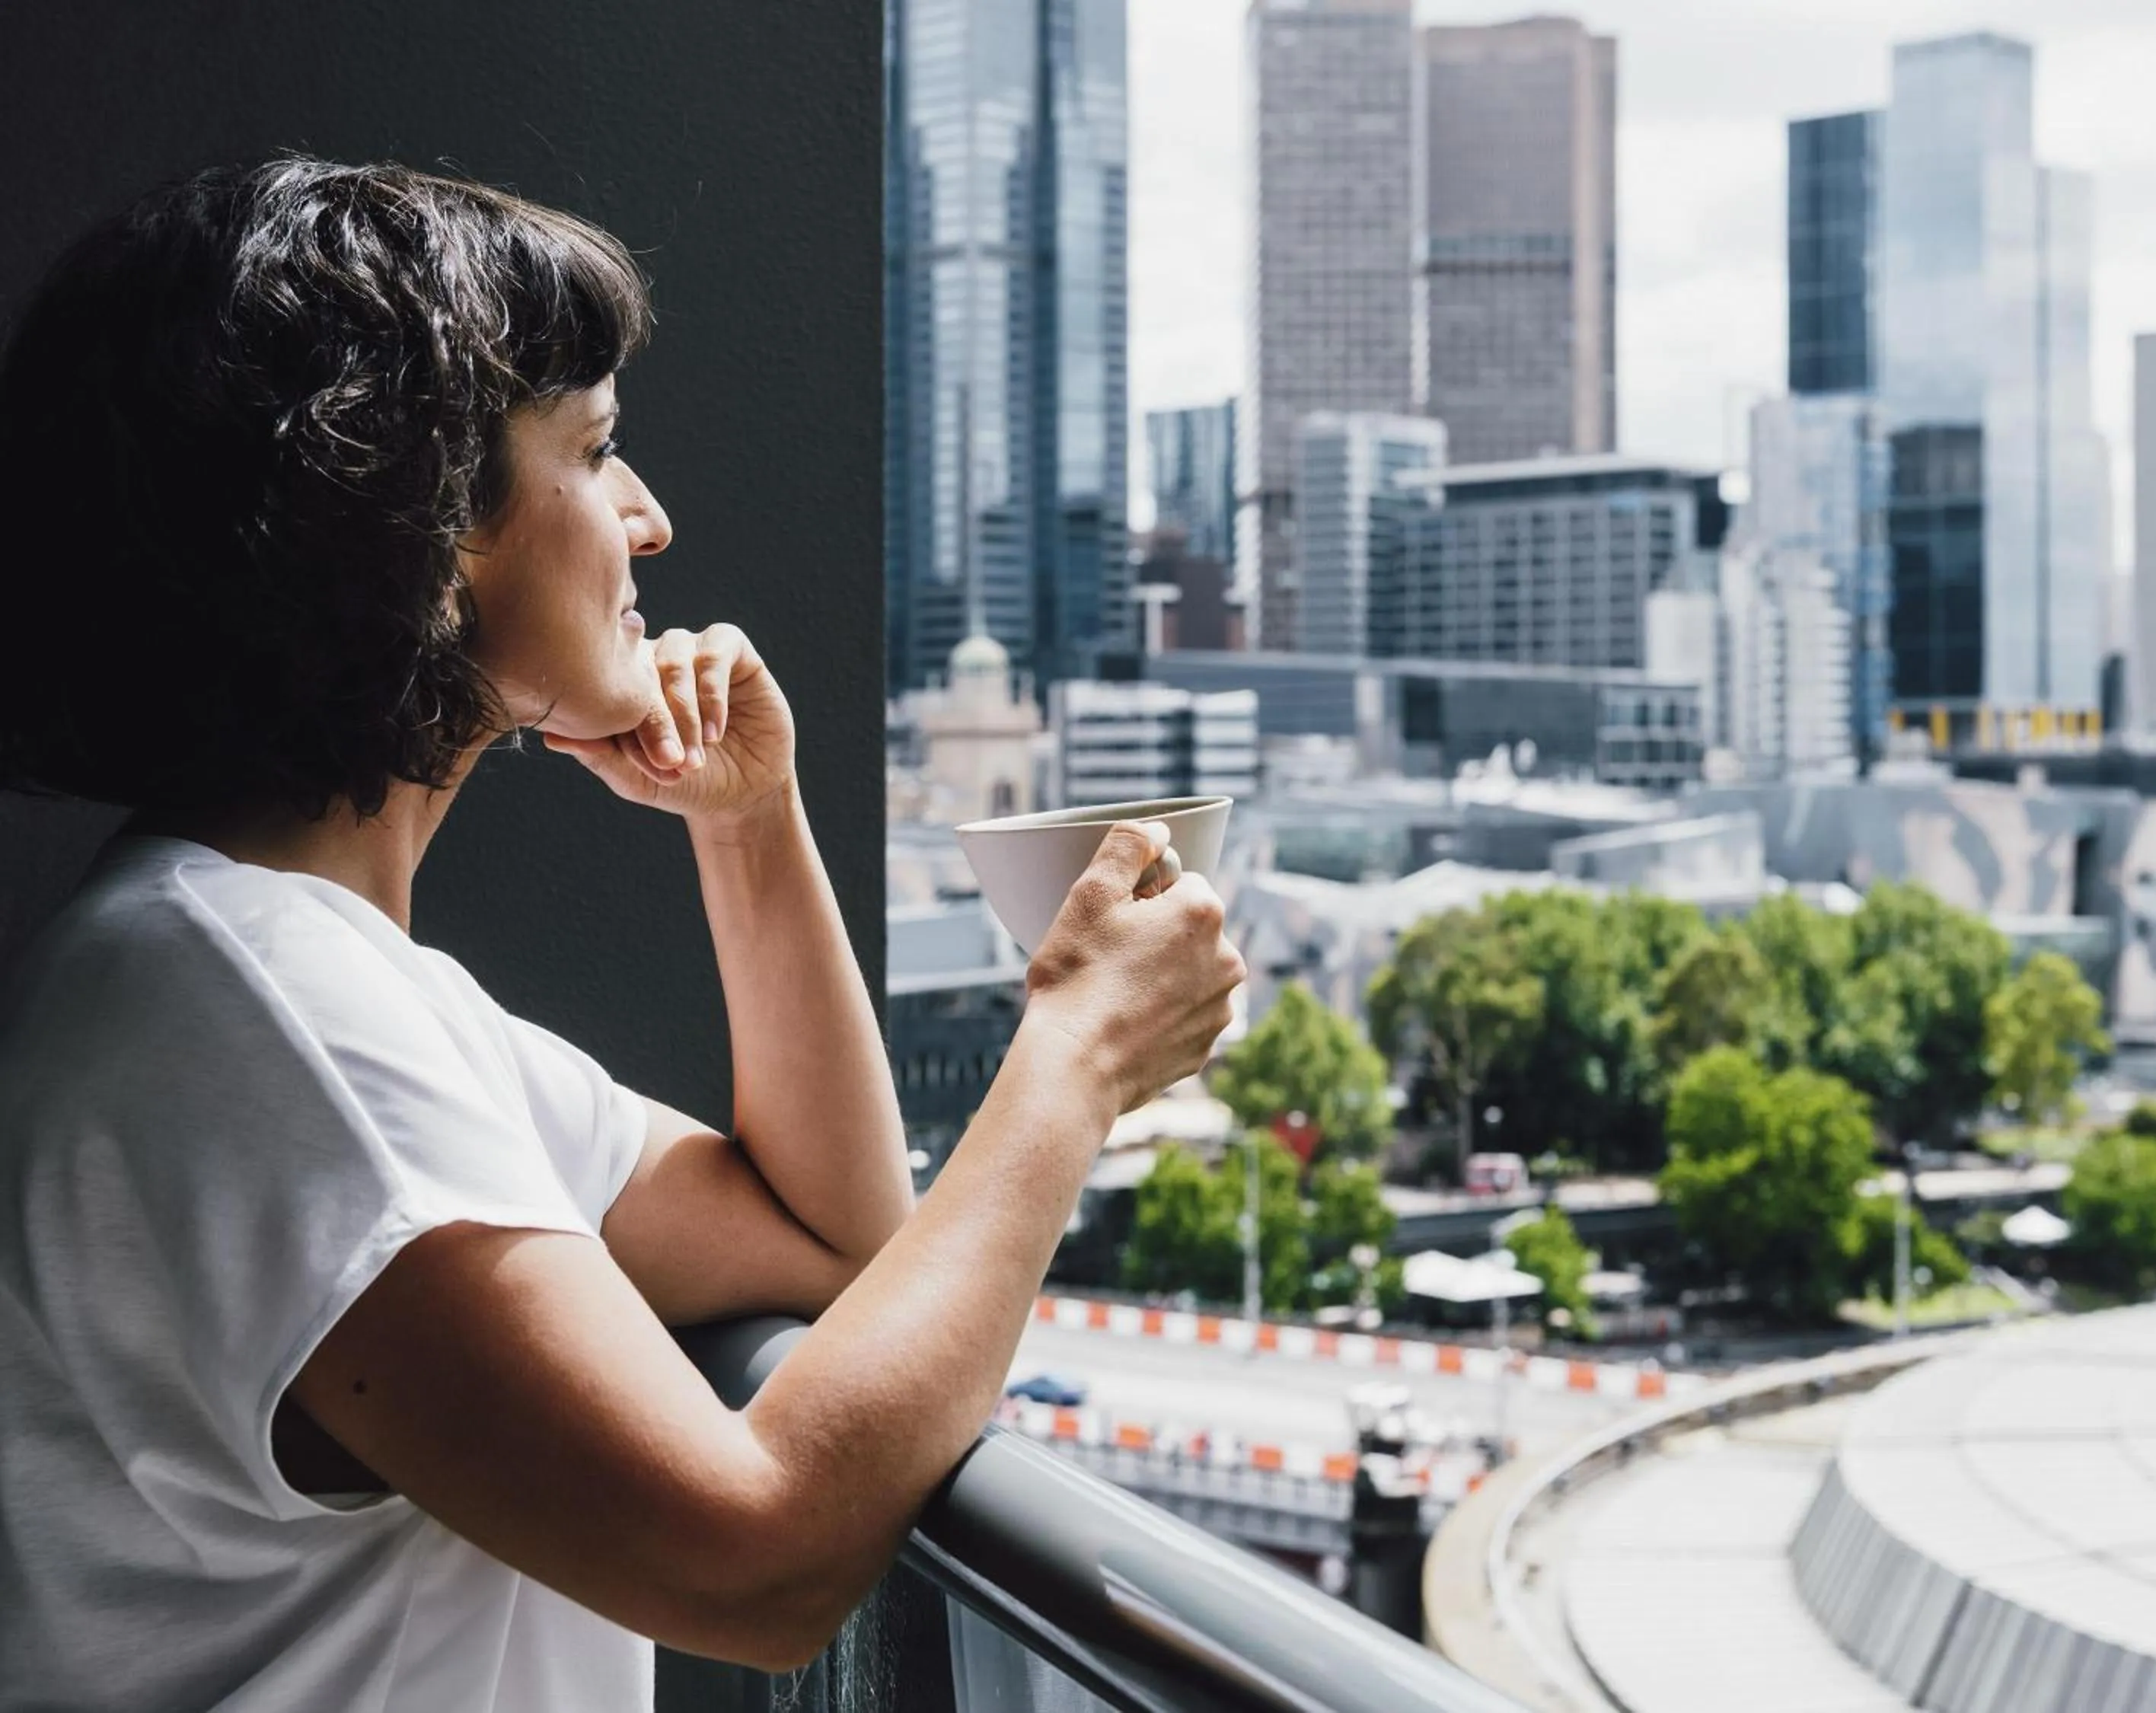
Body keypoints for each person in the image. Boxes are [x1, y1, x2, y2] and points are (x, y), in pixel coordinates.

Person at [0, 158, 1245, 1711]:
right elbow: (759, 1557)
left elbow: (846, 1250)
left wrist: (748, 824)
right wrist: (1075, 1063)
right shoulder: (269, 1012)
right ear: (422, 520)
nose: (650, 522)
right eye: (596, 450)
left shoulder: (275, 982)